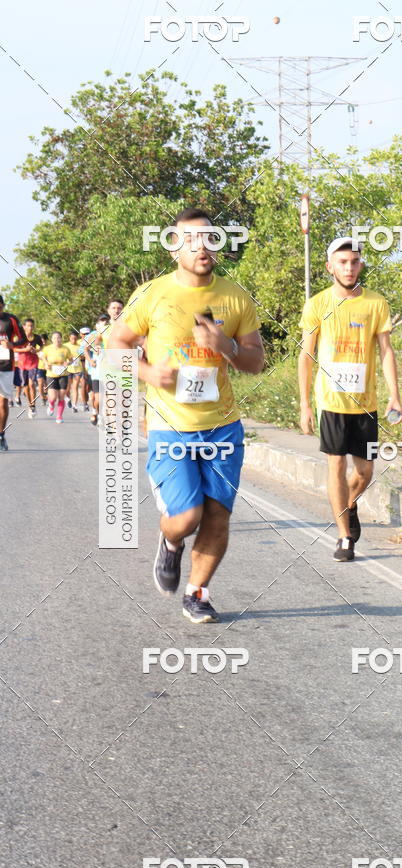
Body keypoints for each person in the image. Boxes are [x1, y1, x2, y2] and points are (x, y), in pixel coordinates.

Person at [109, 207, 264, 623]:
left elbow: (255, 362)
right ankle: (171, 542)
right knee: (187, 515)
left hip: (223, 428)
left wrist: (226, 347)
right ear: (174, 246)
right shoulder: (153, 294)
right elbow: (114, 347)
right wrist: (147, 372)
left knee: (217, 514)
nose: (202, 246)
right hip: (170, 426)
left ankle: (198, 593)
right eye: (192, 239)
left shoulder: (235, 297)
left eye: (210, 238)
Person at [298, 237, 402, 561]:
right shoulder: (318, 304)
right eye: (342, 262)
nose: (349, 267)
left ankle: (350, 503)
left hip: (366, 403)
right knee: (335, 464)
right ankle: (345, 537)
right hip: (330, 401)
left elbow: (385, 351)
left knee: (365, 472)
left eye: (354, 261)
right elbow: (306, 355)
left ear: (361, 265)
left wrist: (394, 395)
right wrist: (304, 404)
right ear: (330, 267)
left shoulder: (375, 303)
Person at [0, 295, 26, 450]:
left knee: (2, 402)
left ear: (2, 305)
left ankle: (1, 435)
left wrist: (11, 344)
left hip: (6, 365)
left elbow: (23, 339)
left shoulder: (11, 320)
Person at [13, 317, 44, 418]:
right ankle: (30, 403)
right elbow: (14, 349)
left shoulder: (37, 337)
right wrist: (25, 349)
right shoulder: (19, 337)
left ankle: (33, 404)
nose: (30, 328)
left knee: (31, 384)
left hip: (33, 363)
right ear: (24, 326)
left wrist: (37, 351)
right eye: (28, 326)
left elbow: (42, 346)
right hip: (22, 364)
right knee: (25, 386)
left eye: (32, 326)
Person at [84, 315, 109, 426]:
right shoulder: (93, 336)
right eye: (101, 323)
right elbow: (85, 349)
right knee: (98, 398)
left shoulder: (112, 335)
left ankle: (102, 416)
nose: (104, 325)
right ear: (97, 325)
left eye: (106, 323)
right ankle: (95, 411)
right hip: (97, 372)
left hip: (110, 372)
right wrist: (90, 361)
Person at [44, 331, 71, 423]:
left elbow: (70, 359)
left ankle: (59, 416)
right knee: (53, 397)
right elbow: (43, 358)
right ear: (52, 339)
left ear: (61, 338)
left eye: (58, 337)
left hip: (63, 375)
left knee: (61, 396)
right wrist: (46, 363)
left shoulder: (66, 349)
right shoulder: (47, 349)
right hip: (51, 375)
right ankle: (51, 405)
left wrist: (68, 362)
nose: (57, 340)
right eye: (55, 338)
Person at [65, 330, 84, 412]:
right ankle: (68, 398)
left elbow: (83, 357)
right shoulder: (65, 346)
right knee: (67, 388)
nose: (74, 340)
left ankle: (74, 406)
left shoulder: (80, 346)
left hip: (78, 369)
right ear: (69, 338)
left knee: (75, 387)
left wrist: (80, 357)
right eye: (72, 338)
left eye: (75, 339)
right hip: (68, 369)